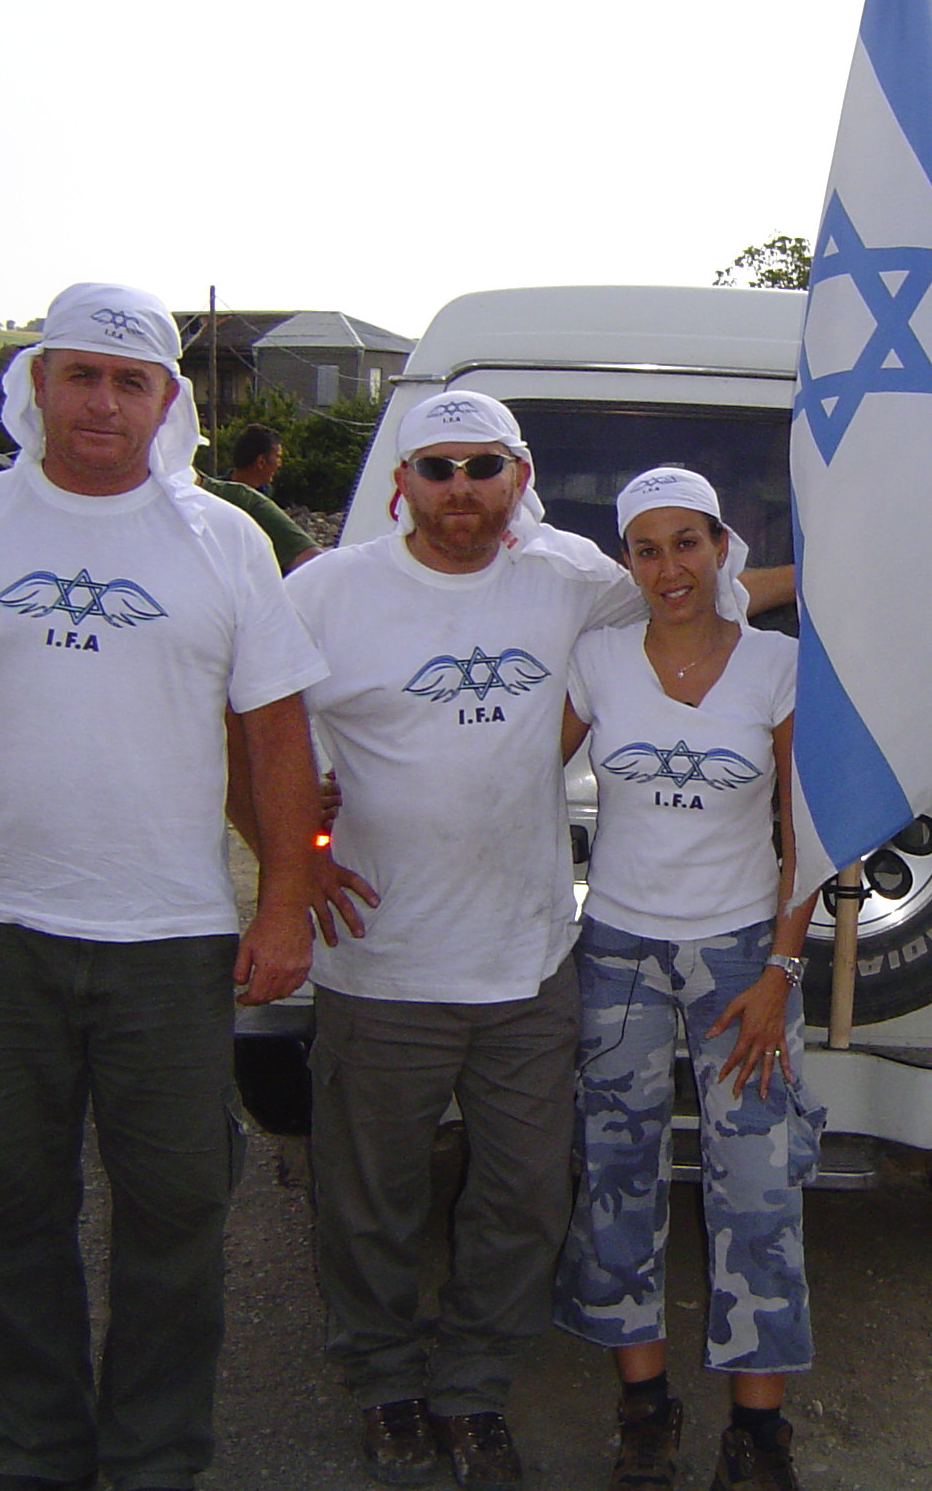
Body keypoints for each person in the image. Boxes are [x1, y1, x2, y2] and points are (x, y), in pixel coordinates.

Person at [0, 281, 327, 1491]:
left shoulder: (223, 540)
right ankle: (39, 1453)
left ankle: (157, 1457)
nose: (103, 401)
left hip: (171, 946)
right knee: (2, 1212)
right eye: (80, 374)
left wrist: (282, 902)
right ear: (37, 384)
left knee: (175, 1218)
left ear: (167, 400)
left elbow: (273, 736)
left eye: (130, 380)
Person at [284, 391, 655, 1491]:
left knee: (526, 1198)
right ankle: (386, 1385)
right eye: (435, 467)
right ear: (400, 481)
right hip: (381, 964)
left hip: (529, 964)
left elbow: (694, 590)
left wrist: (833, 574)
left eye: (480, 466)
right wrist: (290, 855)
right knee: (370, 1199)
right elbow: (252, 729)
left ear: (517, 474)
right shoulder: (327, 594)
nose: (459, 490)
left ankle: (472, 1392)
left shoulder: (571, 579)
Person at [554, 467, 823, 1491]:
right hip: (618, 950)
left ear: (722, 548)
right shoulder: (596, 659)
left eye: (686, 543)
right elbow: (518, 768)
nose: (668, 568)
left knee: (755, 1186)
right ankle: (643, 1407)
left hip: (740, 956)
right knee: (615, 1175)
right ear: (627, 562)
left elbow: (802, 829)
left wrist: (780, 969)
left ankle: (757, 1434)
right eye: (645, 548)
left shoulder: (778, 666)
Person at [195, 467, 321, 573]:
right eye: (277, 457)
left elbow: (316, 566)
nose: (279, 464)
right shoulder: (240, 501)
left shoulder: (243, 503)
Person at [228, 423, 283, 495]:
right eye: (277, 457)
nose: (279, 464)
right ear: (261, 462)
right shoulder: (214, 493)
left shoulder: (265, 491)